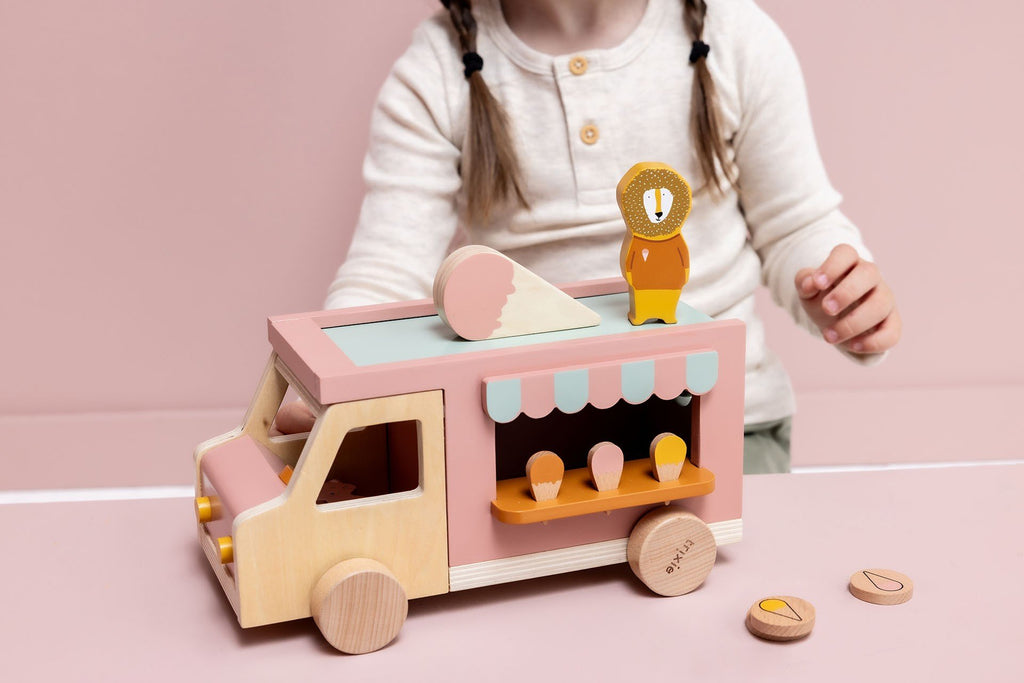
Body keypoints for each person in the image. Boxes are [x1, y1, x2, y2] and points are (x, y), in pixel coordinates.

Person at [280, 0, 902, 473]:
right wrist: (329, 380)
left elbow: (797, 224)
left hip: (726, 429)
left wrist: (842, 295)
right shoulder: (437, 73)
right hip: (530, 440)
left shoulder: (734, 36)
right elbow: (387, 276)